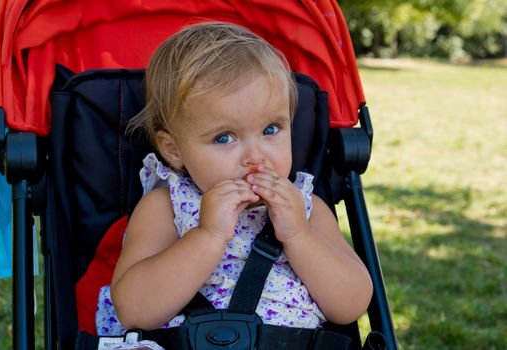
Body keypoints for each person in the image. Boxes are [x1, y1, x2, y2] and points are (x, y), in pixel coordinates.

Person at [96, 21, 373, 346]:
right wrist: (207, 235)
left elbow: (351, 305)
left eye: (271, 129)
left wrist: (299, 235)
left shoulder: (305, 207)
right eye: (224, 137)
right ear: (174, 150)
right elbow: (134, 310)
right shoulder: (167, 205)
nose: (256, 156)